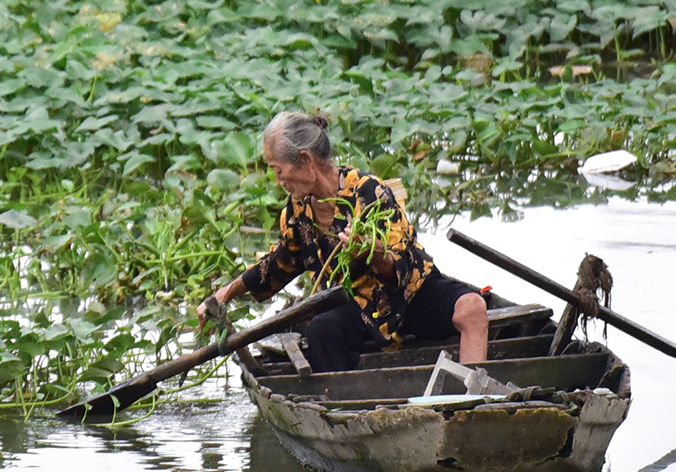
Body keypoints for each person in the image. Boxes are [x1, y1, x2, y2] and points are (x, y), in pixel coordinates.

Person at [203, 111, 489, 373]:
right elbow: (278, 264)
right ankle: (341, 409)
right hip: (356, 305)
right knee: (322, 330)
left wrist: (373, 252)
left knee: (472, 307)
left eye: (278, 170)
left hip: (408, 297)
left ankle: (473, 400)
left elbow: (397, 267)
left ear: (305, 160)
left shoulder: (370, 192)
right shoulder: (298, 209)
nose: (278, 180)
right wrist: (225, 294)